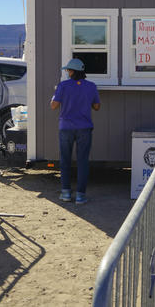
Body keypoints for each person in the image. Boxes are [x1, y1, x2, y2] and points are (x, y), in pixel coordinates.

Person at [50, 58, 101, 205]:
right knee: (83, 162)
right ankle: (80, 196)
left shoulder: (63, 86)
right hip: (84, 128)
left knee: (65, 161)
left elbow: (53, 105)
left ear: (73, 71)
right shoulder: (91, 86)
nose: (67, 72)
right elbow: (97, 106)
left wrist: (56, 96)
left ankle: (65, 193)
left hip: (66, 128)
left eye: (68, 70)